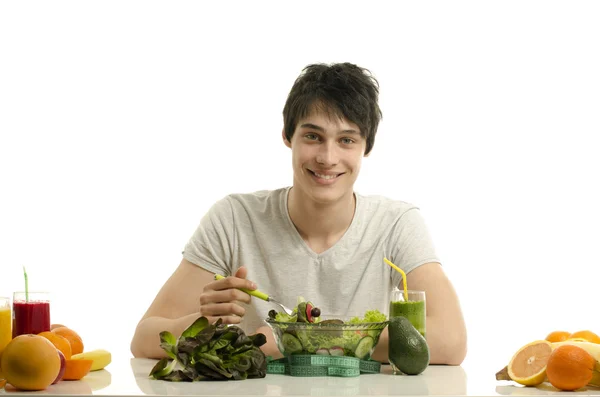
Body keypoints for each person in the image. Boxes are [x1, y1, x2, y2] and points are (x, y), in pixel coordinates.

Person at [130, 62, 467, 365]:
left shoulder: (396, 224)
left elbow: (450, 342)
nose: (327, 157)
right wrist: (203, 323)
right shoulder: (233, 219)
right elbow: (145, 338)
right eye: (312, 136)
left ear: (367, 147)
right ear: (287, 136)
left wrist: (297, 342)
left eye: (347, 140)